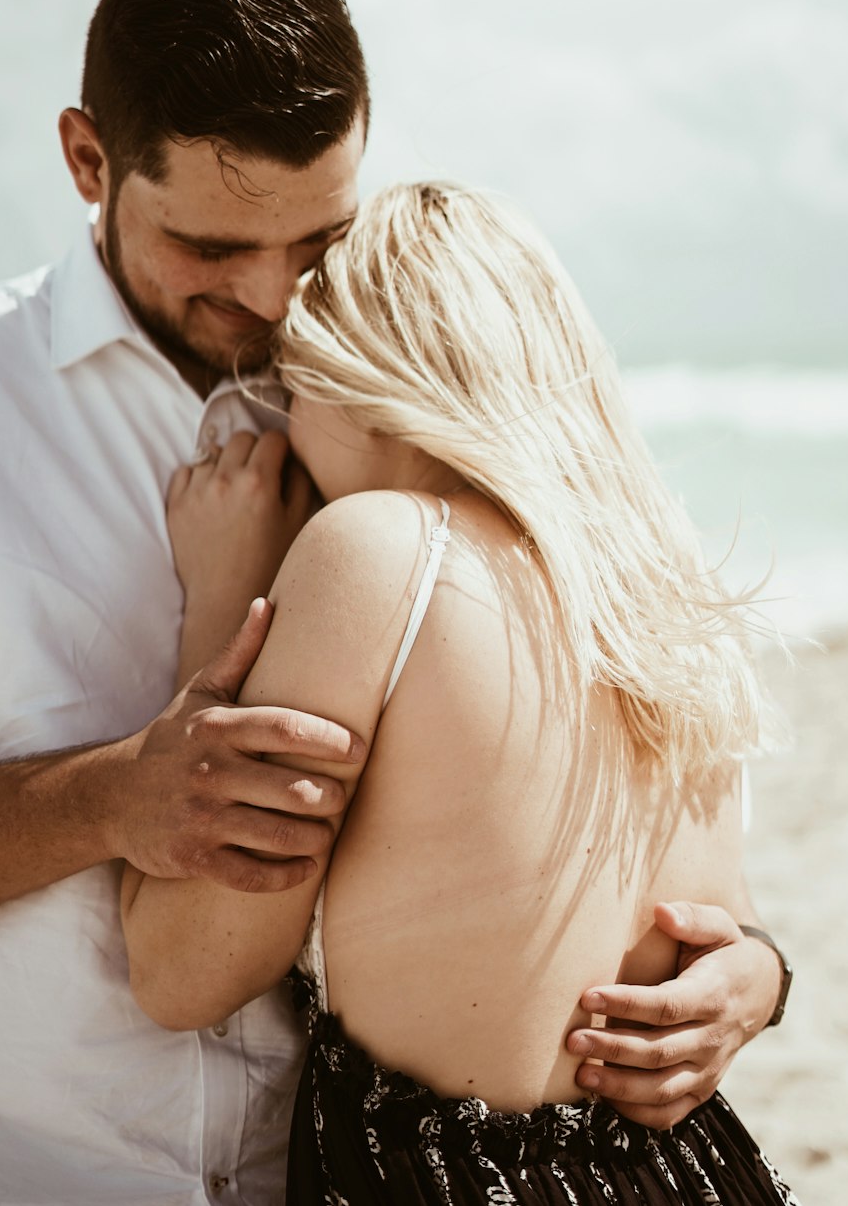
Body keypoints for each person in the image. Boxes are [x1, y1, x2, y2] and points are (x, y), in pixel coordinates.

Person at [0, 0, 788, 1206]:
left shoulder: (378, 401)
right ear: (89, 161)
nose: (278, 305)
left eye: (318, 246)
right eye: (213, 249)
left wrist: (753, 973)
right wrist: (113, 797)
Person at [122, 181, 800, 1203]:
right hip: (690, 1168)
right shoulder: (655, 595)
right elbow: (723, 934)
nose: (285, 425)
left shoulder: (374, 549)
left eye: (292, 386)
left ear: (359, 382)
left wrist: (218, 601)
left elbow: (182, 973)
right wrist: (765, 975)